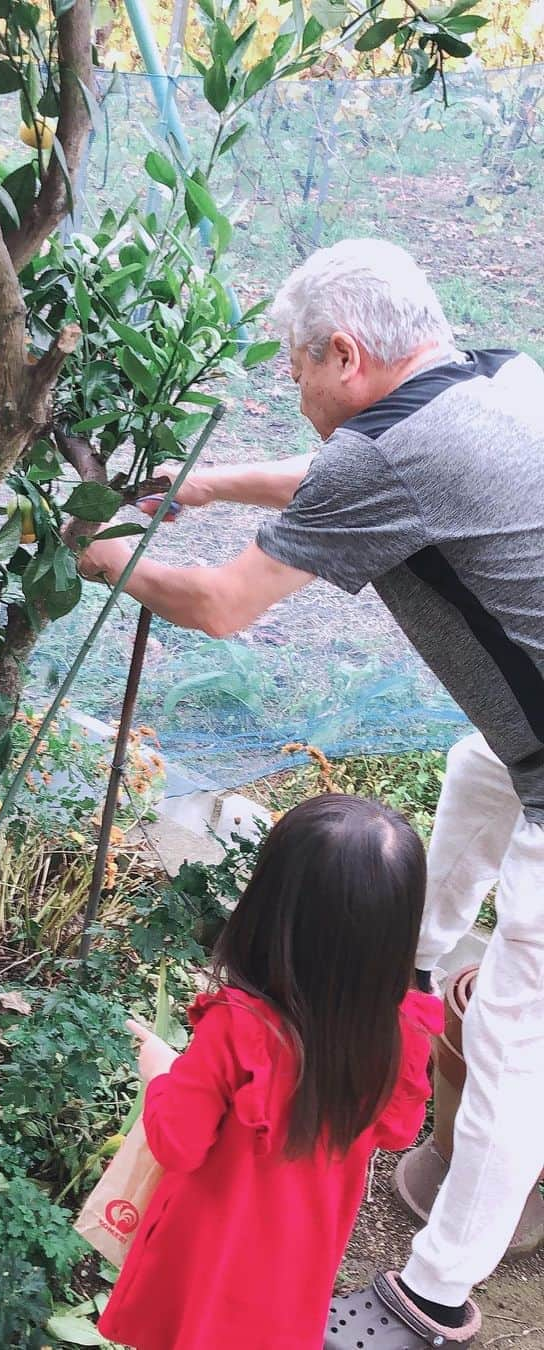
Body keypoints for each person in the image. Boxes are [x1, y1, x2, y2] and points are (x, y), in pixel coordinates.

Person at [78, 238, 544, 1347]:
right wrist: (201, 483)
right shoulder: (497, 377)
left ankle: (437, 1285)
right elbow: (349, 478)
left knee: (521, 1036)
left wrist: (97, 553)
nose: (292, 391)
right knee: (475, 772)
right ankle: (405, 968)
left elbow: (224, 605)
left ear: (345, 351)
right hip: (522, 737)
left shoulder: (391, 455)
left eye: (295, 370)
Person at [97, 795, 449, 1350]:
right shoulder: (403, 1030)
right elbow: (400, 1130)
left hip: (207, 1260)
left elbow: (178, 1143)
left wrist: (160, 1072)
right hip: (298, 1263)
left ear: (274, 907)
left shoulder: (238, 1029)